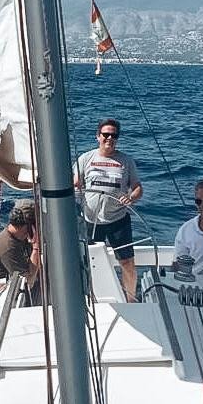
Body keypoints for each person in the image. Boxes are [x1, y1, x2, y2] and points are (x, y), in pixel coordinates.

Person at [73, 118, 143, 301]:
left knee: (127, 262)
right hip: (91, 221)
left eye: (114, 135)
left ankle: (131, 300)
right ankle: (89, 297)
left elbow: (137, 188)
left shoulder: (126, 161)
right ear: (98, 136)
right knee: (88, 262)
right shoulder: (85, 159)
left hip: (118, 220)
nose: (109, 138)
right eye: (106, 134)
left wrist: (131, 197)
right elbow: (75, 183)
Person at [0, 199, 41, 298]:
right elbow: (28, 282)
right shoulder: (8, 247)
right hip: (6, 294)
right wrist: (36, 248)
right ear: (28, 226)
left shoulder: (18, 236)